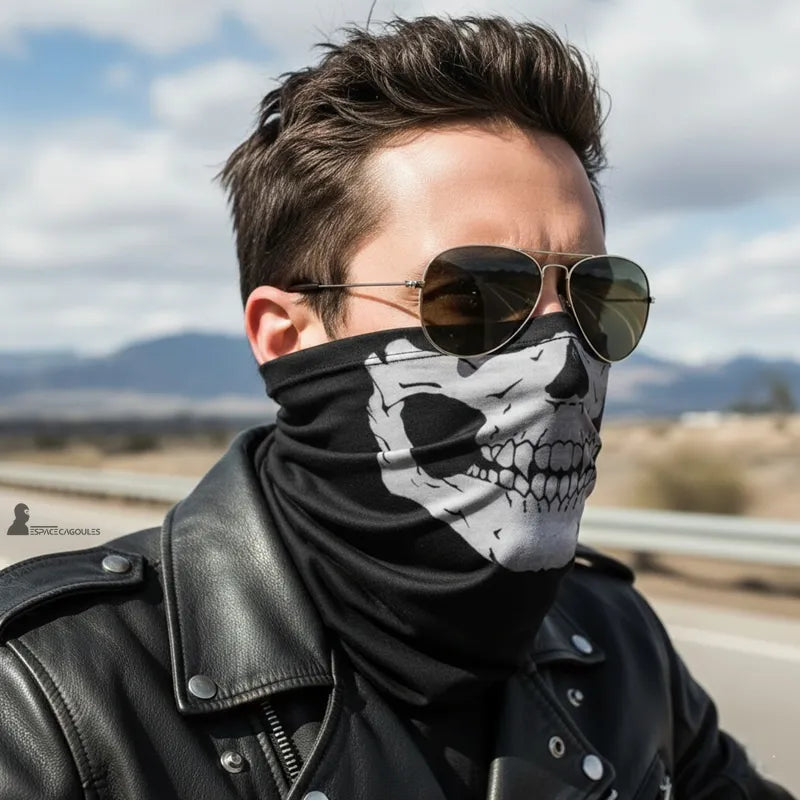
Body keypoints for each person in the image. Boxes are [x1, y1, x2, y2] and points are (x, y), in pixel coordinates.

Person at [0, 15, 793, 800]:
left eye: (595, 296)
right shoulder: (46, 695)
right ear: (288, 334)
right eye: (478, 294)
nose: (564, 361)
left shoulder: (619, 646)